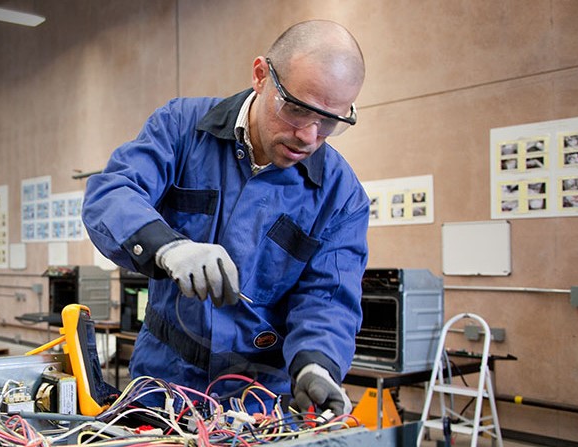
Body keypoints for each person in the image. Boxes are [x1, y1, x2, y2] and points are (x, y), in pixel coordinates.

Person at [83, 20, 368, 416]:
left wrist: (318, 364)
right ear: (261, 76)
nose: (309, 136)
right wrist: (167, 247)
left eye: (330, 122)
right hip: (161, 387)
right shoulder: (182, 128)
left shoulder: (341, 196)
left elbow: (329, 298)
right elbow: (111, 194)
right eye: (299, 111)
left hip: (259, 402)